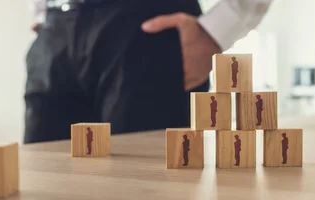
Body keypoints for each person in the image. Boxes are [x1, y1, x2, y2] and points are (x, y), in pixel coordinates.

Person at [23, 0, 273, 143]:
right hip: (55, 27)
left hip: (146, 28)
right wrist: (41, 14)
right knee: (45, 184)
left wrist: (220, 28)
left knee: (142, 184)